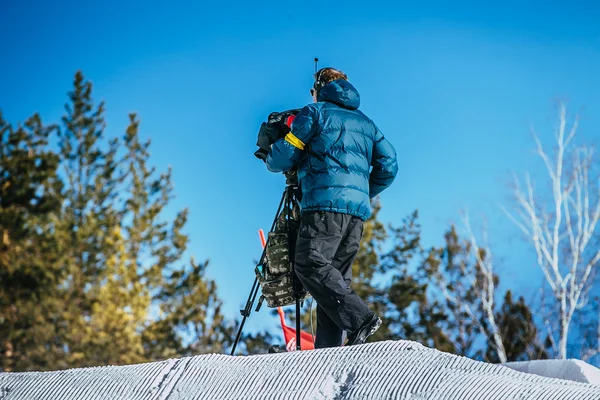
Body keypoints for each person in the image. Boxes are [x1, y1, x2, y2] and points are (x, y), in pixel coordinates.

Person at [265, 67, 398, 348]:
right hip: (355, 214)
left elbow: (284, 157)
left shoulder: (315, 113)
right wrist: (360, 191)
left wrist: (271, 152)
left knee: (309, 264)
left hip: (323, 207)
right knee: (335, 279)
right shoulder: (367, 124)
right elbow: (389, 165)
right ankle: (330, 350)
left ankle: (361, 318)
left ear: (319, 88)